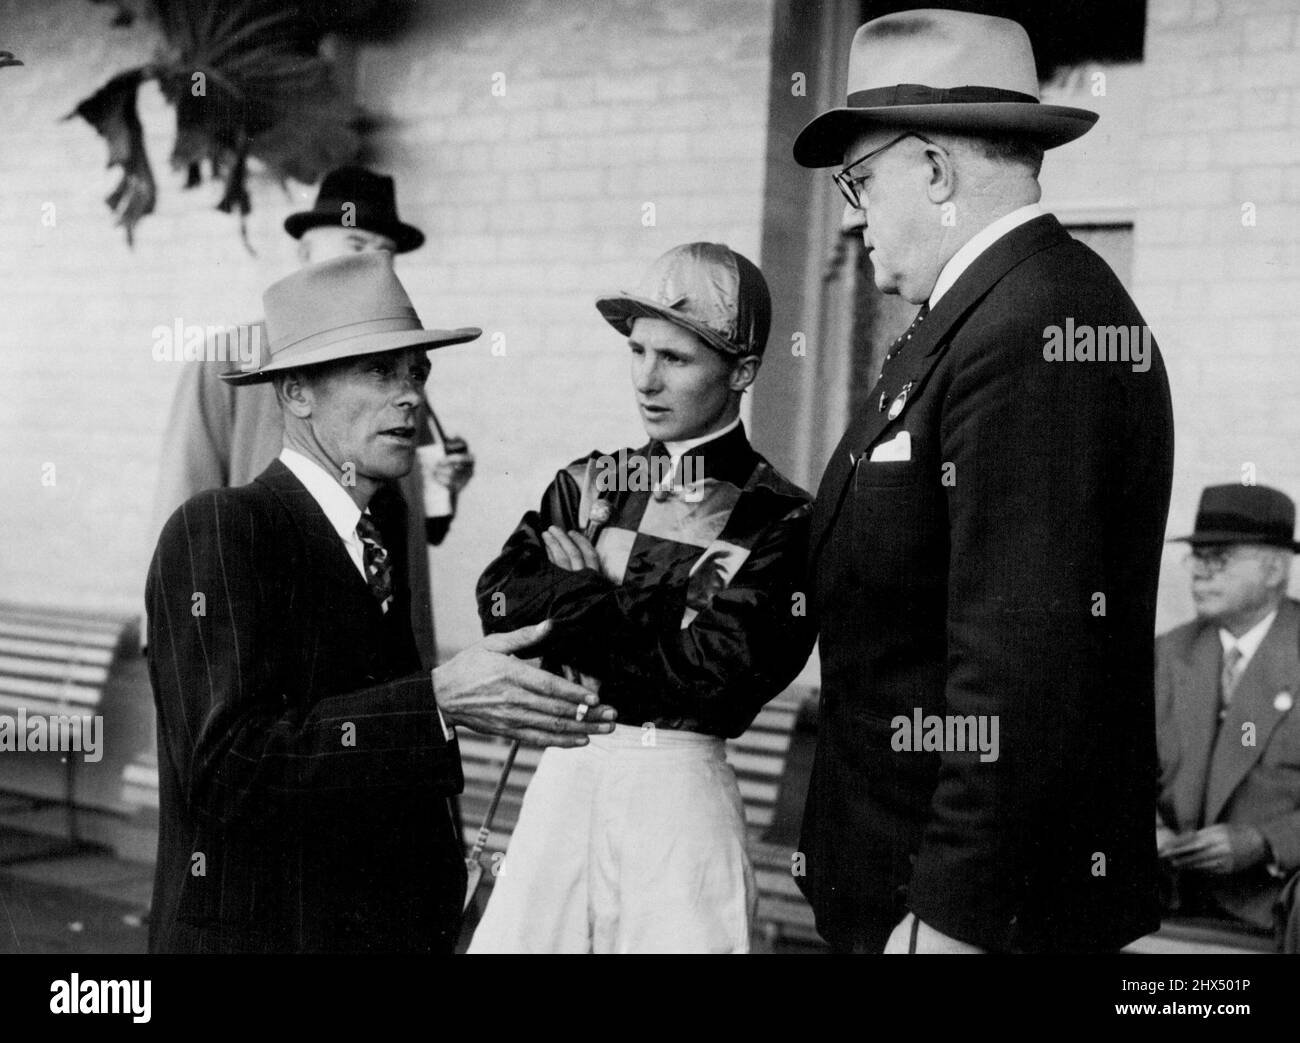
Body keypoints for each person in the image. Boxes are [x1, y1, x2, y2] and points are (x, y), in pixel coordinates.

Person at [792, 10, 1175, 952]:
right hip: (900, 882)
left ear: (934, 169)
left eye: (860, 179)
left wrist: (953, 915)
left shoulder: (1035, 326)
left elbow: (1023, 666)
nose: (853, 214)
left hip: (967, 915)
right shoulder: (981, 316)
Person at [145, 253, 616, 954]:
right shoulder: (225, 526)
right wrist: (436, 703)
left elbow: (364, 734)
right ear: (297, 391)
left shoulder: (380, 528)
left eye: (417, 372)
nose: (411, 398)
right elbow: (225, 768)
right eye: (379, 371)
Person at [468, 243, 814, 952]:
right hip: (563, 775)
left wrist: (582, 590)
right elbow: (500, 602)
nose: (646, 381)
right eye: (637, 351)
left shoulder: (783, 517)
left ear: (741, 371)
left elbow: (713, 675)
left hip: (679, 796)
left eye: (676, 359)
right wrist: (662, 609)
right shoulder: (587, 481)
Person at [152, 166, 473, 670]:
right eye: (355, 243)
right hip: (276, 637)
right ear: (303, 252)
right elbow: (185, 496)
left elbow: (413, 514)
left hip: (384, 645)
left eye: (386, 254)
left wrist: (444, 487)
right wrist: (178, 632)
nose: (374, 264)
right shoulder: (233, 356)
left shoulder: (397, 364)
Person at [1157, 483, 1300, 946]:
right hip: (1163, 889)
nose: (1199, 574)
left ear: (1275, 569)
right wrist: (1149, 830)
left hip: (1278, 900)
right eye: (1196, 558)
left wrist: (1266, 841)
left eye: (1217, 559)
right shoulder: (1168, 654)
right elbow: (1112, 767)